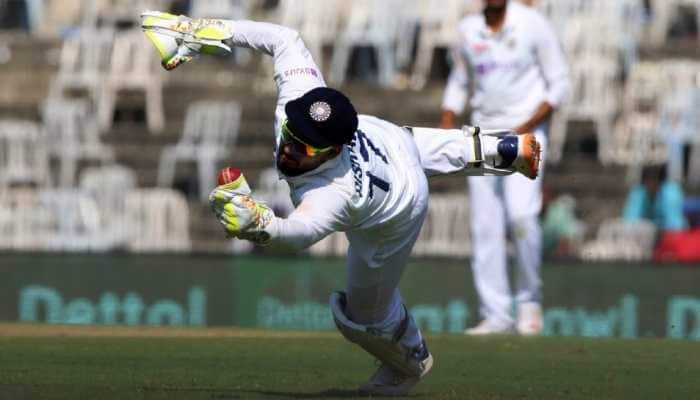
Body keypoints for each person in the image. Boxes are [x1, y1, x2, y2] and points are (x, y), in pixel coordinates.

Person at [141, 11, 541, 395]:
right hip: (387, 138)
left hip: (397, 210)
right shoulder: (299, 99)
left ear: (332, 151)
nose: (290, 147)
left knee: (358, 317)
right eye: (291, 132)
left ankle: (412, 358)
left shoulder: (335, 192)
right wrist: (200, 30)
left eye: (305, 146)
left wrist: (260, 225)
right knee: (412, 142)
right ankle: (504, 148)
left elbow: (297, 235)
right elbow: (284, 39)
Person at [439, 0, 570, 335]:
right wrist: (447, 119)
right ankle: (496, 314)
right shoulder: (469, 30)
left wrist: (527, 125)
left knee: (522, 216)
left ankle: (529, 303)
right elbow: (459, 81)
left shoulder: (531, 23)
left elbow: (559, 84)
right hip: (483, 135)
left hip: (525, 134)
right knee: (485, 227)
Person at [623, 165, 687, 232]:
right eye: (647, 178)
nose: (651, 182)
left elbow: (675, 225)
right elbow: (629, 221)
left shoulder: (671, 192)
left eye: (654, 178)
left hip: (671, 237)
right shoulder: (638, 192)